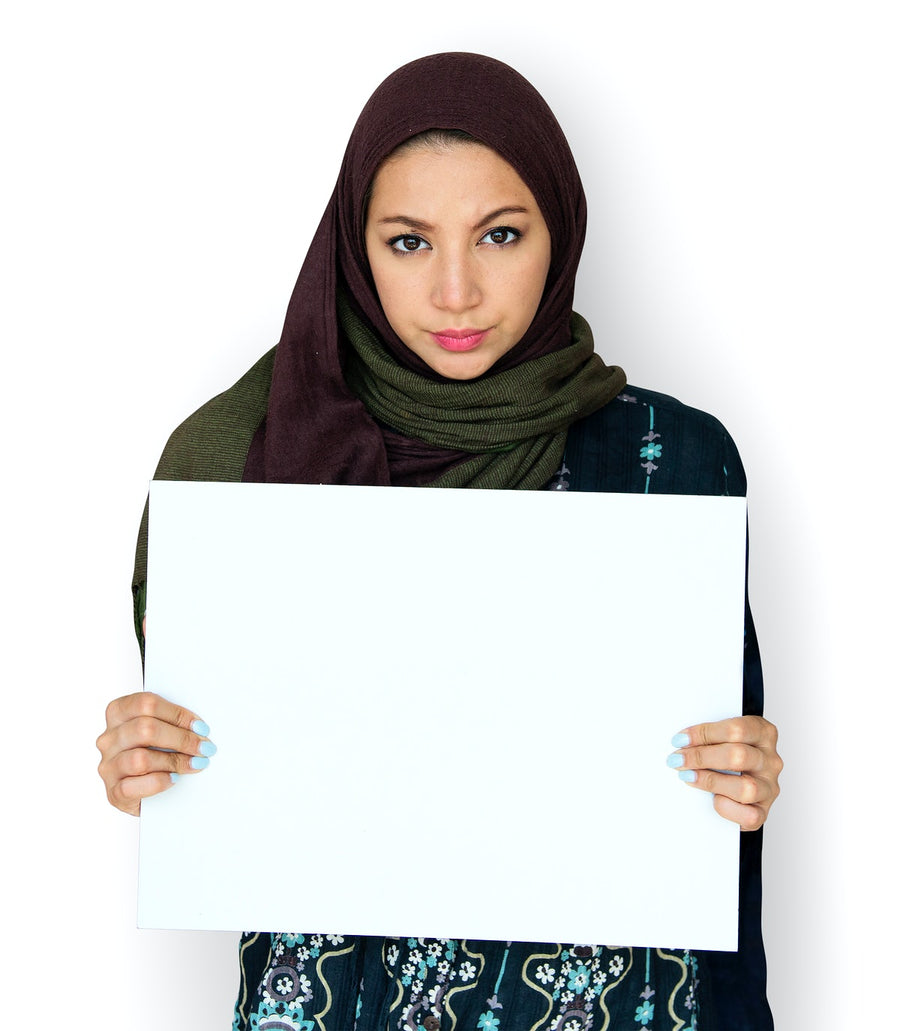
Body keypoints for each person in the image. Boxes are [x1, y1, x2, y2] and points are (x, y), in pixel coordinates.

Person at [96, 52, 782, 1030]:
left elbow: (714, 807)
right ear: (353, 247)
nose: (456, 291)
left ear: (560, 229)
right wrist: (149, 765)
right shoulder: (235, 459)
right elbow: (228, 773)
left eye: (500, 234)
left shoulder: (671, 458)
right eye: (409, 241)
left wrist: (740, 780)